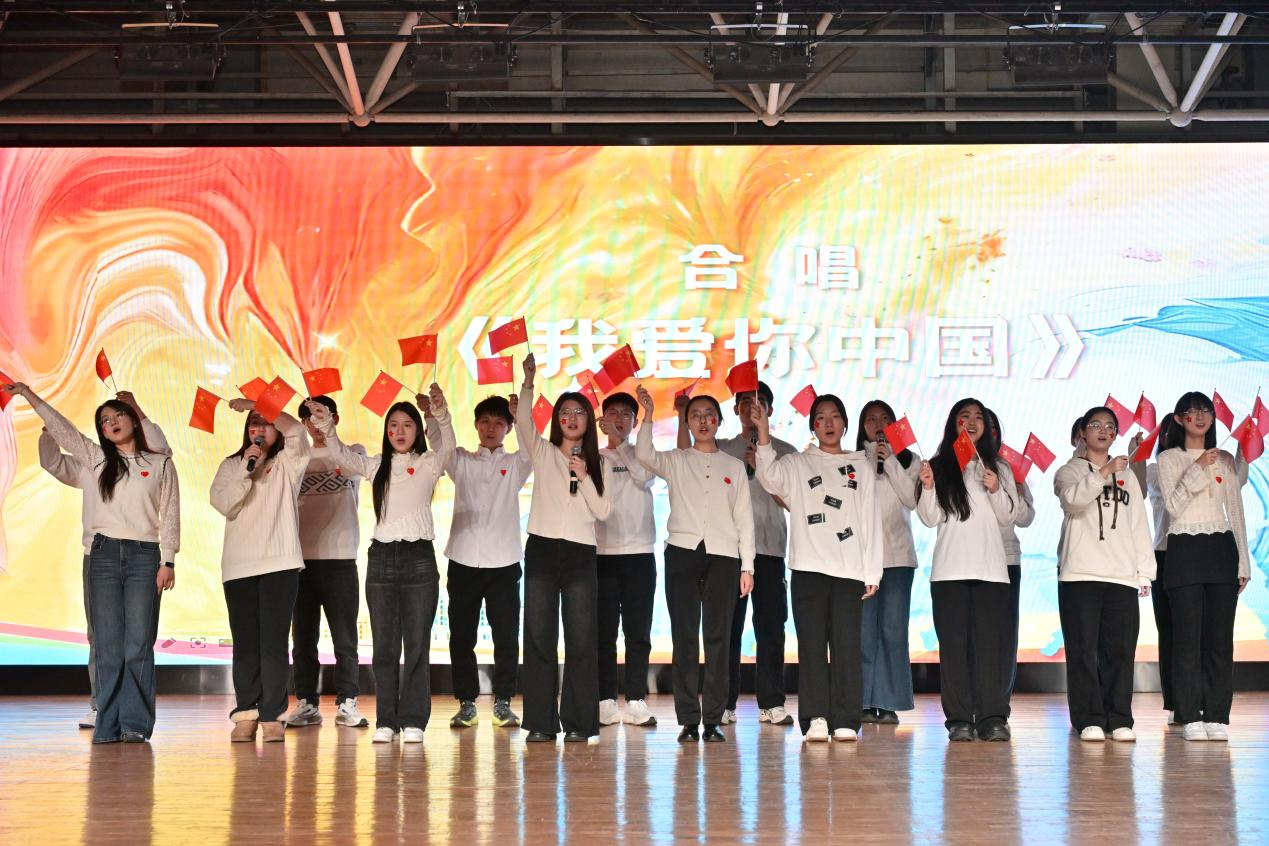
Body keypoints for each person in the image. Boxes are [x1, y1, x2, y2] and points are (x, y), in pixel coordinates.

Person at [9, 383, 179, 744]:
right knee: (107, 645)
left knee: (138, 644)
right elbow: (63, 432)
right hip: (102, 555)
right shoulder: (96, 459)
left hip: (144, 556)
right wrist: (29, 395)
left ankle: (134, 724)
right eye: (104, 420)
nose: (111, 422)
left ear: (133, 420)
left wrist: (168, 560)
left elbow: (170, 512)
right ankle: (108, 724)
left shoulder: (160, 461)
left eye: (118, 415)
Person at [306, 385, 455, 744]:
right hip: (382, 561)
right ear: (386, 432)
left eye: (407, 425)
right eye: (393, 426)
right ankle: (387, 720)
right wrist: (327, 427)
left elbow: (448, 447)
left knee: (416, 645)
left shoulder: (429, 463)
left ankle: (414, 720)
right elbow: (342, 456)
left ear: (417, 430)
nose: (399, 432)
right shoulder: (376, 465)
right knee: (385, 647)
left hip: (419, 561)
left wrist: (441, 414)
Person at [753, 394, 882, 742]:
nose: (828, 423)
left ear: (845, 424)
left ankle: (845, 719)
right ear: (813, 425)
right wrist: (763, 433)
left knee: (846, 646)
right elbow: (769, 477)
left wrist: (872, 571)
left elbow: (870, 519)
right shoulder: (798, 463)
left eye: (835, 416)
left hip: (849, 569)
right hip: (808, 568)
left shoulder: (861, 466)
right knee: (811, 646)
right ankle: (816, 718)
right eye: (821, 417)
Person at [636, 385, 754, 743]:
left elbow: (744, 518)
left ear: (719, 421)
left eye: (709, 416)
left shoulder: (733, 465)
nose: (703, 421)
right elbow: (644, 453)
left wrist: (747, 566)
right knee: (684, 637)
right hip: (682, 553)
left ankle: (713, 718)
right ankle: (688, 719)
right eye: (696, 416)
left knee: (718, 638)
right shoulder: (677, 459)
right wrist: (648, 415)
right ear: (687, 422)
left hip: (724, 557)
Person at [515, 354, 611, 743]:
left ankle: (578, 723)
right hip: (541, 550)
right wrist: (528, 382)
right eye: (565, 412)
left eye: (579, 412)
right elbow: (523, 423)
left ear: (589, 420)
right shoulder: (543, 452)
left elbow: (603, 511)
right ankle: (540, 723)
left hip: (580, 554)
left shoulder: (599, 462)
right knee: (539, 636)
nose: (571, 418)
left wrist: (584, 476)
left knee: (581, 639)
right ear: (556, 419)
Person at [1133, 418, 1248, 726]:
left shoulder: (1214, 460)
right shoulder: (1160, 467)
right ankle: (1178, 702)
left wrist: (1241, 453)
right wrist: (1138, 458)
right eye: (1166, 432)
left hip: (1208, 551)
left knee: (1212, 634)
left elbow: (1234, 485)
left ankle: (1208, 706)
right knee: (1174, 632)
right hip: (1167, 552)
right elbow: (1144, 491)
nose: (1171, 434)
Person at [915, 398, 1017, 742]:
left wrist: (996, 489)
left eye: (978, 418)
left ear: (986, 426)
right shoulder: (939, 465)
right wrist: (928, 486)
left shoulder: (998, 467)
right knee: (954, 650)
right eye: (964, 416)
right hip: (949, 572)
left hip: (992, 572)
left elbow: (1008, 516)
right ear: (953, 424)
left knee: (990, 649)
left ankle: (992, 717)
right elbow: (930, 517)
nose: (971, 422)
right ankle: (959, 719)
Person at [1055, 406, 1156, 742]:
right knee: (1083, 650)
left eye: (1110, 426)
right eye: (1095, 425)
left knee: (1120, 650)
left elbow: (1138, 524)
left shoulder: (1128, 476)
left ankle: (1119, 717)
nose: (1103, 430)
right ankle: (1089, 718)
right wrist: (1104, 472)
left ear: (1115, 434)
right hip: (1080, 574)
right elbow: (1073, 501)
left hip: (1121, 574)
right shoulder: (1069, 471)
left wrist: (1144, 572)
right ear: (1082, 432)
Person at [211, 397, 310, 743]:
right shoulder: (232, 465)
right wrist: (246, 467)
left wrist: (260, 403)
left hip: (280, 563)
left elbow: (297, 431)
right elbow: (225, 504)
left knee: (273, 643)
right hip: (238, 566)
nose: (260, 428)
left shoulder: (287, 462)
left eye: (266, 423)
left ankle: (273, 715)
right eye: (254, 422)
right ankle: (246, 713)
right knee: (246, 644)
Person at [441, 394, 530, 731]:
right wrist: (439, 412)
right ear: (476, 425)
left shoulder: (517, 463)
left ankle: (503, 701)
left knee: (506, 636)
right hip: (463, 559)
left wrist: (521, 413)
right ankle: (466, 703)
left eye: (499, 423)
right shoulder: (461, 460)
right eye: (485, 422)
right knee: (461, 636)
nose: (491, 428)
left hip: (504, 562)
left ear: (508, 428)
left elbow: (532, 445)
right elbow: (441, 443)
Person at [282, 395, 369, 730]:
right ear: (302, 424)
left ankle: (348, 702)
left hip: (341, 559)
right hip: (300, 561)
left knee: (345, 640)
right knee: (303, 640)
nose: (316, 423)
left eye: (323, 416)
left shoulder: (353, 452)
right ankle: (306, 702)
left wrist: (330, 435)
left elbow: (353, 466)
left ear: (335, 418)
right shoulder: (294, 458)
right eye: (310, 418)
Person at [596, 392, 659, 728]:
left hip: (639, 553)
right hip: (602, 553)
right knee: (603, 633)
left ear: (635, 422)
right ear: (602, 419)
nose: (618, 419)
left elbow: (643, 478)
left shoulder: (644, 454)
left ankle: (636, 699)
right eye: (612, 413)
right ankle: (605, 700)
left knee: (638, 632)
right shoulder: (592, 455)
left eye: (625, 414)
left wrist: (621, 445)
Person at [855, 399, 919, 725]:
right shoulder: (853, 460)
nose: (878, 424)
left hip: (897, 557)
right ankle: (863, 701)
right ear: (862, 426)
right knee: (863, 632)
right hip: (861, 558)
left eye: (885, 418)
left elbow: (911, 499)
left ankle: (889, 701)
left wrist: (890, 460)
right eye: (871, 419)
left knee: (893, 631)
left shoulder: (910, 460)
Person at [984, 408, 1036, 701]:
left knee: (1004, 635)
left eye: (992, 427)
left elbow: (1025, 518)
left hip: (1006, 558)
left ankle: (999, 702)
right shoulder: (957, 465)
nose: (986, 431)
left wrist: (1015, 491)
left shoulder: (1008, 468)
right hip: (970, 561)